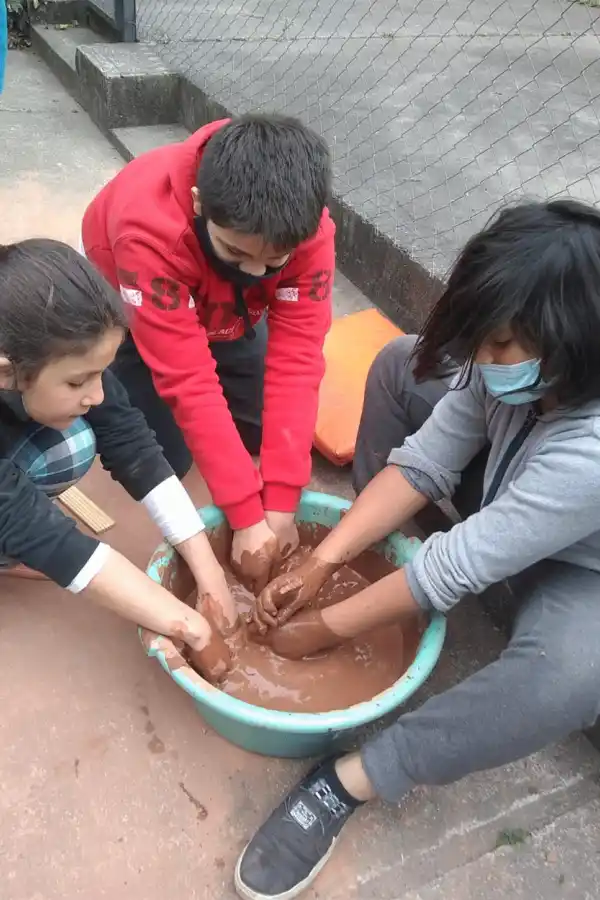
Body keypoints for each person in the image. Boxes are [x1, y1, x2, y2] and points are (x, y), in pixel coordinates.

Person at [233, 199, 600, 900]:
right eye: (481, 338)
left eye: (500, 347)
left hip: (578, 565)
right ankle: (387, 559)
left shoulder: (591, 446)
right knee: (402, 362)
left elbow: (458, 564)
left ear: (573, 343)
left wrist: (320, 628)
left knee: (571, 675)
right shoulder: (515, 364)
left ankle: (349, 782)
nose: (484, 359)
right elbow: (430, 458)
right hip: (511, 489)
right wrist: (324, 563)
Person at [81, 113, 335, 595]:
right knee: (167, 455)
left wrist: (280, 505)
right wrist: (243, 513)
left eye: (273, 262)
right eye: (237, 255)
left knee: (265, 431)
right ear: (200, 204)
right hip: (137, 304)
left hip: (226, 311)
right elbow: (188, 378)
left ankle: (224, 314)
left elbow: (298, 359)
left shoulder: (307, 229)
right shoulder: (146, 230)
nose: (257, 269)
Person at [0, 238, 238, 681]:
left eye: (100, 372)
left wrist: (209, 570)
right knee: (40, 485)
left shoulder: (44, 341)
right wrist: (186, 625)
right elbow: (48, 539)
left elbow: (128, 437)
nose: (98, 392)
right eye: (77, 382)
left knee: (77, 437)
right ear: (5, 371)